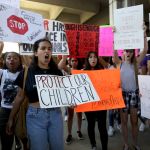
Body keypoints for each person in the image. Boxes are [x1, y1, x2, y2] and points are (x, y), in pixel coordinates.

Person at [6, 38, 64, 150]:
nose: (47, 51)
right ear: (36, 53)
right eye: (43, 48)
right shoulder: (27, 72)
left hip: (55, 114)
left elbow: (63, 94)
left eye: (49, 49)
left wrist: (71, 102)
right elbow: (19, 97)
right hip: (35, 117)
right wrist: (11, 118)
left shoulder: (57, 72)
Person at [113, 26, 148, 150]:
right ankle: (126, 144)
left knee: (134, 122)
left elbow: (145, 50)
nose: (128, 53)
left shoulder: (136, 63)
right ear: (123, 52)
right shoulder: (118, 63)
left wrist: (144, 33)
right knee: (123, 122)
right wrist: (114, 36)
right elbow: (114, 53)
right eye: (126, 51)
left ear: (133, 53)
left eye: (130, 51)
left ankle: (135, 143)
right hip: (122, 95)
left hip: (133, 95)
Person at [84, 51, 108, 150]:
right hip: (88, 105)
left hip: (101, 104)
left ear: (98, 59)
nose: (93, 59)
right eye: (90, 57)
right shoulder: (83, 72)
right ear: (87, 59)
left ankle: (104, 147)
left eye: (95, 57)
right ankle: (93, 144)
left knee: (102, 127)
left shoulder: (103, 71)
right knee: (91, 125)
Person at [0, 51, 23, 150]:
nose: (11, 60)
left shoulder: (24, 73)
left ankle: (18, 141)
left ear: (19, 61)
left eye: (15, 58)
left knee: (23, 136)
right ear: (4, 61)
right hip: (5, 111)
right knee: (6, 140)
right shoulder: (2, 73)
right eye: (8, 58)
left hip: (21, 111)